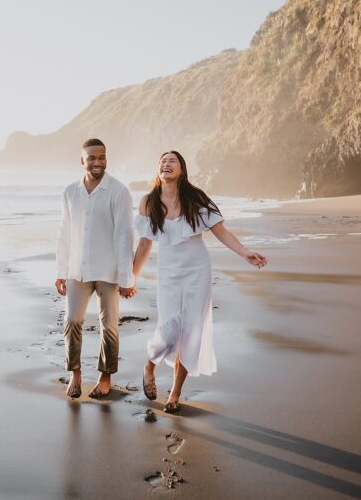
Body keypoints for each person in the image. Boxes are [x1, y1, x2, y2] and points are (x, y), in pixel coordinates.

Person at [130, 150, 268, 413]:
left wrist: (245, 253)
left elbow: (221, 231)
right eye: (162, 160)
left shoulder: (196, 198)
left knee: (190, 331)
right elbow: (145, 243)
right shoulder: (149, 202)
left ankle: (175, 394)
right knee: (170, 328)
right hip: (168, 273)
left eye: (172, 160)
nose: (166, 163)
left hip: (197, 271)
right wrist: (131, 278)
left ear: (182, 169)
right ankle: (150, 364)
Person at [54, 138, 135, 399]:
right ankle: (74, 373)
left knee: (109, 325)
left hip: (109, 271)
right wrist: (60, 270)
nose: (97, 162)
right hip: (77, 269)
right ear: (82, 160)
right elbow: (65, 232)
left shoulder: (119, 191)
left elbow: (124, 235)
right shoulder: (70, 192)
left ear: (106, 159)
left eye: (101, 157)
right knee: (72, 321)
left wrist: (126, 277)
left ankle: (105, 376)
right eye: (92, 158)